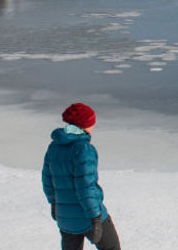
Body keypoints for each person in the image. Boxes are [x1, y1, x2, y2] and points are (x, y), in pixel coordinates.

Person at [42, 102, 121, 250]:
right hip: (87, 215)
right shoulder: (84, 149)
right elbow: (86, 186)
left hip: (65, 216)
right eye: (92, 122)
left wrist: (54, 203)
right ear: (84, 125)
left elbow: (47, 180)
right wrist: (95, 218)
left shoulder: (54, 147)